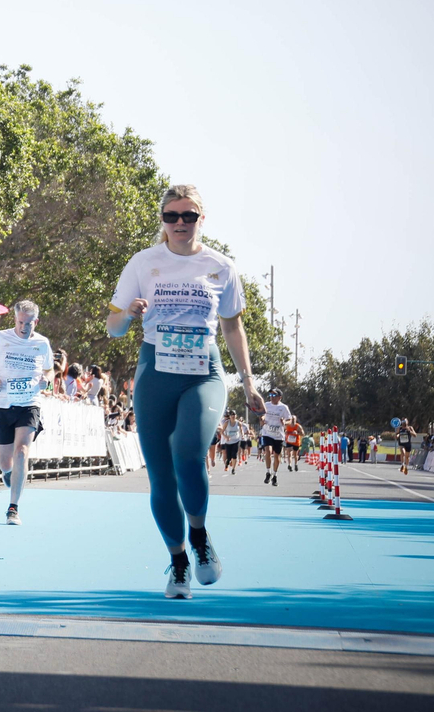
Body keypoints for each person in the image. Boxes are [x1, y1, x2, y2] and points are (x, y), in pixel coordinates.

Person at [106, 183, 264, 600]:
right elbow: (113, 326)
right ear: (162, 220)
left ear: (201, 220)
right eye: (171, 216)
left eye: (188, 216)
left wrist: (247, 379)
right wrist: (128, 313)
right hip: (155, 369)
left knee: (189, 453)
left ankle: (199, 536)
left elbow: (232, 326)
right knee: (160, 477)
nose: (179, 223)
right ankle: (178, 563)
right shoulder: (142, 262)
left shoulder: (221, 266)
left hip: (203, 372)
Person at [0, 299, 55, 525]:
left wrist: (47, 383)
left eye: (29, 323)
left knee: (22, 451)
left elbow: (50, 372)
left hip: (29, 403)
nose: (24, 327)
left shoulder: (42, 343)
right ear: (15, 319)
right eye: (21, 322)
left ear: (37, 322)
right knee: (6, 463)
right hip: (3, 404)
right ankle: (9, 475)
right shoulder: (1, 338)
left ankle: (13, 508)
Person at [259, 387, 293, 487]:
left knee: (277, 456)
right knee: (268, 451)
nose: (272, 397)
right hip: (267, 432)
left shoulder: (284, 407)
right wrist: (262, 419)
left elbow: (289, 420)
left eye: (274, 395)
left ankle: (275, 475)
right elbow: (262, 416)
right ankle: (268, 472)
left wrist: (285, 422)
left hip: (278, 435)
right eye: (270, 395)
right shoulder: (266, 405)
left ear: (279, 397)